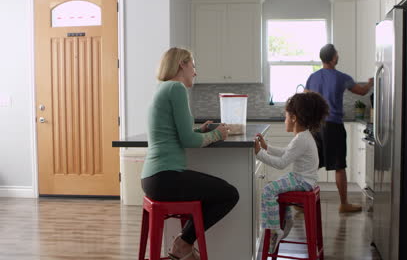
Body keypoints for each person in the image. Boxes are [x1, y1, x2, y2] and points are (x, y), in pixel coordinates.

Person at [141, 47, 239, 260]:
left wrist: (200, 131)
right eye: (193, 65)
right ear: (182, 65)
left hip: (153, 177)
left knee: (213, 193)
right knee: (229, 194)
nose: (195, 72)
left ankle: (183, 242)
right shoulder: (176, 88)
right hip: (165, 177)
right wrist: (217, 135)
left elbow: (178, 133)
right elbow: (188, 141)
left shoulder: (162, 88)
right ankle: (183, 243)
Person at [254, 92, 329, 253]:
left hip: (302, 181)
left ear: (294, 118)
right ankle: (286, 221)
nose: (284, 120)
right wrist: (266, 148)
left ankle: (275, 230)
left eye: (286, 116)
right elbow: (286, 152)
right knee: (274, 188)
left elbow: (281, 163)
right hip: (304, 179)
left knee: (268, 190)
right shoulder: (303, 136)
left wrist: (259, 153)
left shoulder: (301, 139)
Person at [304, 43, 373, 213]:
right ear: (334, 58)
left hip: (315, 127)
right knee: (339, 166)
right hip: (333, 125)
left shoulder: (312, 77)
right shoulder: (342, 77)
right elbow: (362, 92)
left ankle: (301, 201)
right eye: (337, 54)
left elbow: (305, 99)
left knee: (312, 164)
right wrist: (371, 83)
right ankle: (344, 203)